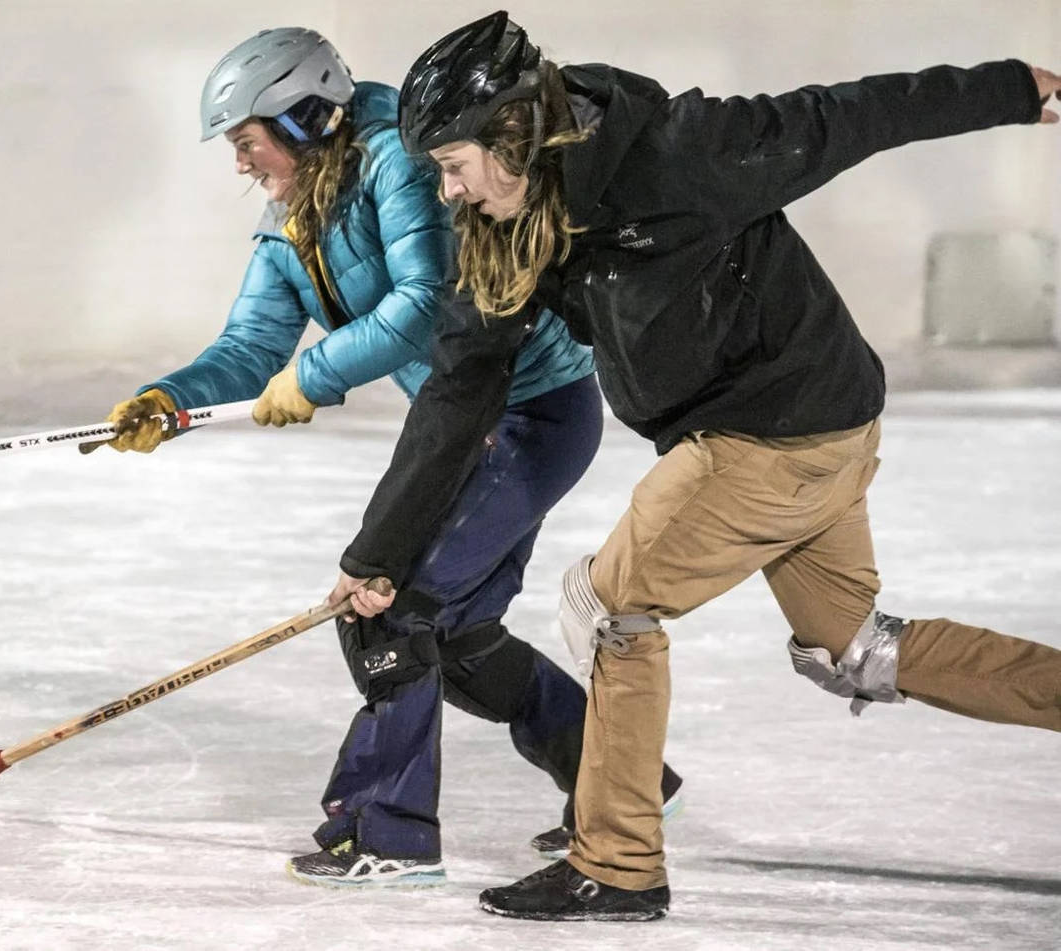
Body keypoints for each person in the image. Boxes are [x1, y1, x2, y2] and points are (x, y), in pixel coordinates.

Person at [328, 9, 1061, 921]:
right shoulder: (511, 225)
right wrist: (381, 555)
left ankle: (618, 862)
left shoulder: (681, 151)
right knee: (857, 650)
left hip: (776, 431)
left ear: (510, 129)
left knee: (607, 608)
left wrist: (1009, 90)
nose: (448, 192)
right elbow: (459, 393)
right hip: (806, 434)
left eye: (451, 166)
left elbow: (849, 114)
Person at [101, 26, 681, 887]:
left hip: (529, 414)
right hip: (465, 430)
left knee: (389, 608)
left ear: (301, 119)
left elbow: (422, 306)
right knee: (458, 636)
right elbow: (252, 341)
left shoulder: (400, 166)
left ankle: (386, 828)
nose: (241, 163)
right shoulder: (290, 219)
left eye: (246, 140)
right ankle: (619, 779)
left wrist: (315, 374)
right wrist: (171, 399)